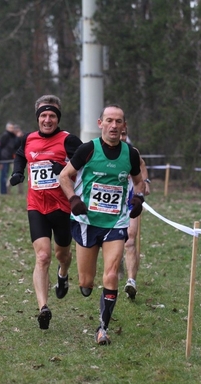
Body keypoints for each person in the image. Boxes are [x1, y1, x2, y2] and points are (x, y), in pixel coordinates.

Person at [59, 104, 145, 345]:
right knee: (86, 283)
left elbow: (139, 182)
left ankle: (103, 328)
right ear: (101, 124)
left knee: (111, 274)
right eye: (109, 120)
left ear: (124, 126)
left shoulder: (130, 154)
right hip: (86, 222)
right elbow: (64, 176)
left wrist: (138, 198)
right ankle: (78, 282)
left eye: (119, 121)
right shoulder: (87, 150)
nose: (114, 126)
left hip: (115, 222)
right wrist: (74, 199)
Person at [9, 94, 82, 330]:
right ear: (38, 118)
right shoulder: (28, 139)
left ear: (57, 118)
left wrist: (66, 169)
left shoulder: (69, 140)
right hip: (36, 206)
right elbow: (21, 155)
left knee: (62, 254)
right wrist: (18, 172)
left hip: (62, 206)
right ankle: (43, 308)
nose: (47, 119)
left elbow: (86, 164)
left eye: (51, 115)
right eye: (43, 115)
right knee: (42, 256)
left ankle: (63, 274)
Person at [120, 128, 151, 300]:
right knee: (114, 242)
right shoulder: (100, 150)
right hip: (108, 206)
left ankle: (131, 281)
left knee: (130, 240)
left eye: (124, 134)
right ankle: (116, 265)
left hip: (130, 202)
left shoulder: (132, 152)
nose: (121, 136)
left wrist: (145, 182)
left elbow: (141, 165)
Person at [0, 122, 17, 194]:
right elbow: (1, 146)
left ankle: (7, 189)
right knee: (4, 175)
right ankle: (3, 191)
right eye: (10, 128)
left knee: (13, 173)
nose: (12, 129)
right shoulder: (5, 135)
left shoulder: (13, 136)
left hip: (11, 157)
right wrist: (0, 159)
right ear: (7, 128)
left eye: (13, 128)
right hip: (5, 157)